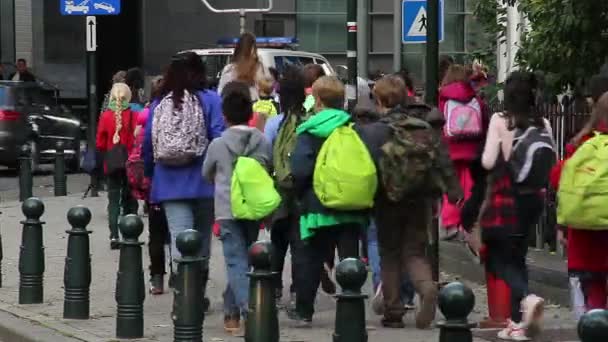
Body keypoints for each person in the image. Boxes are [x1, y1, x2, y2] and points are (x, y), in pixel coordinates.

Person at [356, 75, 462, 329]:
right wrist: (453, 193)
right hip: (420, 199)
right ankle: (427, 289)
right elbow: (443, 161)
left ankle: (393, 312)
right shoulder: (422, 128)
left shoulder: (373, 131)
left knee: (390, 254)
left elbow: (364, 168)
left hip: (386, 200)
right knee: (415, 252)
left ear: (379, 100)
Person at [142, 52, 224, 302]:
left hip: (169, 183)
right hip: (204, 182)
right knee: (201, 242)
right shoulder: (211, 100)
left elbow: (147, 144)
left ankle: (184, 295)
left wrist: (151, 174)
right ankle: (197, 291)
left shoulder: (159, 104)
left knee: (180, 239)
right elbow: (219, 137)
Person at [288, 76, 367, 326]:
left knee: (309, 259)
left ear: (318, 100)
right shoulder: (352, 128)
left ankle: (304, 311)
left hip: (317, 207)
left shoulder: (309, 130)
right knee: (349, 262)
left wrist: (299, 194)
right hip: (351, 206)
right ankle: (352, 310)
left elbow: (300, 170)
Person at [480, 71, 547, 340]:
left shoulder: (500, 120)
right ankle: (517, 323)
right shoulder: (542, 122)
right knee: (518, 255)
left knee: (497, 258)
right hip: (535, 198)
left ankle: (527, 299)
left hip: (507, 197)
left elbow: (487, 161)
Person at [202, 81, 272, 336]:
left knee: (235, 261)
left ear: (224, 116)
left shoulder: (218, 145)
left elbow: (206, 173)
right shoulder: (262, 141)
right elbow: (268, 168)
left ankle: (250, 312)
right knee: (244, 260)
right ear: (251, 114)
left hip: (227, 210)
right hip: (253, 209)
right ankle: (231, 312)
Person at [553, 90, 608, 316]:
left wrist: (561, 227)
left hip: (583, 245)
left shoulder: (581, 143)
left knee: (592, 308)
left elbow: (558, 178)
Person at [265, 66, 306, 302]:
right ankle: (298, 289)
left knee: (278, 240)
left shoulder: (274, 124)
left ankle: (275, 284)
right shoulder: (308, 121)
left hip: (279, 190)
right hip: (303, 190)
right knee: (300, 243)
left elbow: (266, 155)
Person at [438, 64, 488, 240]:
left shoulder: (442, 97)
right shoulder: (475, 99)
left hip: (450, 148)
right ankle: (466, 224)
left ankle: (450, 223)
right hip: (472, 150)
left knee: (451, 186)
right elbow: (484, 122)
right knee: (469, 186)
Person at [96, 83, 139, 249]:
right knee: (130, 199)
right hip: (130, 164)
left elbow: (100, 143)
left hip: (112, 164)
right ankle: (131, 231)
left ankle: (114, 235)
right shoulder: (134, 115)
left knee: (113, 200)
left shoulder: (106, 116)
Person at [217, 32, 268, 101]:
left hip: (233, 107)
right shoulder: (258, 68)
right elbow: (268, 91)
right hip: (253, 107)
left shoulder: (229, 69)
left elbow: (220, 92)